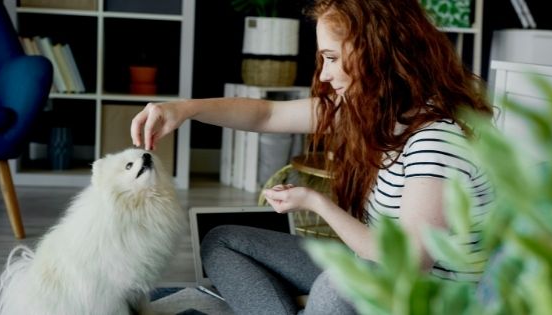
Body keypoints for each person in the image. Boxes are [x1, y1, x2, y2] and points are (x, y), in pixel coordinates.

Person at [130, 0, 494, 314]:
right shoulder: (374, 115)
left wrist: (314, 202)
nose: (325, 73)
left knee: (335, 286)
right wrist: (183, 109)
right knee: (222, 240)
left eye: (332, 57)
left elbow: (410, 262)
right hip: (372, 270)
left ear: (377, 50)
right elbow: (267, 115)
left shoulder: (437, 140)